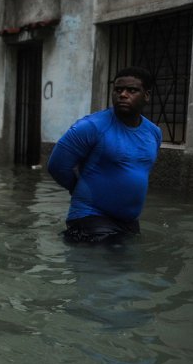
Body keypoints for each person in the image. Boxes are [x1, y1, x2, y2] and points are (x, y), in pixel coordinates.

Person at [47, 67, 162, 243]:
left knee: (128, 268)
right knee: (105, 268)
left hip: (129, 222)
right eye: (118, 90)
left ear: (146, 95)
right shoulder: (91, 127)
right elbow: (57, 166)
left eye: (132, 90)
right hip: (91, 217)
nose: (123, 94)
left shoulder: (154, 133)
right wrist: (78, 188)